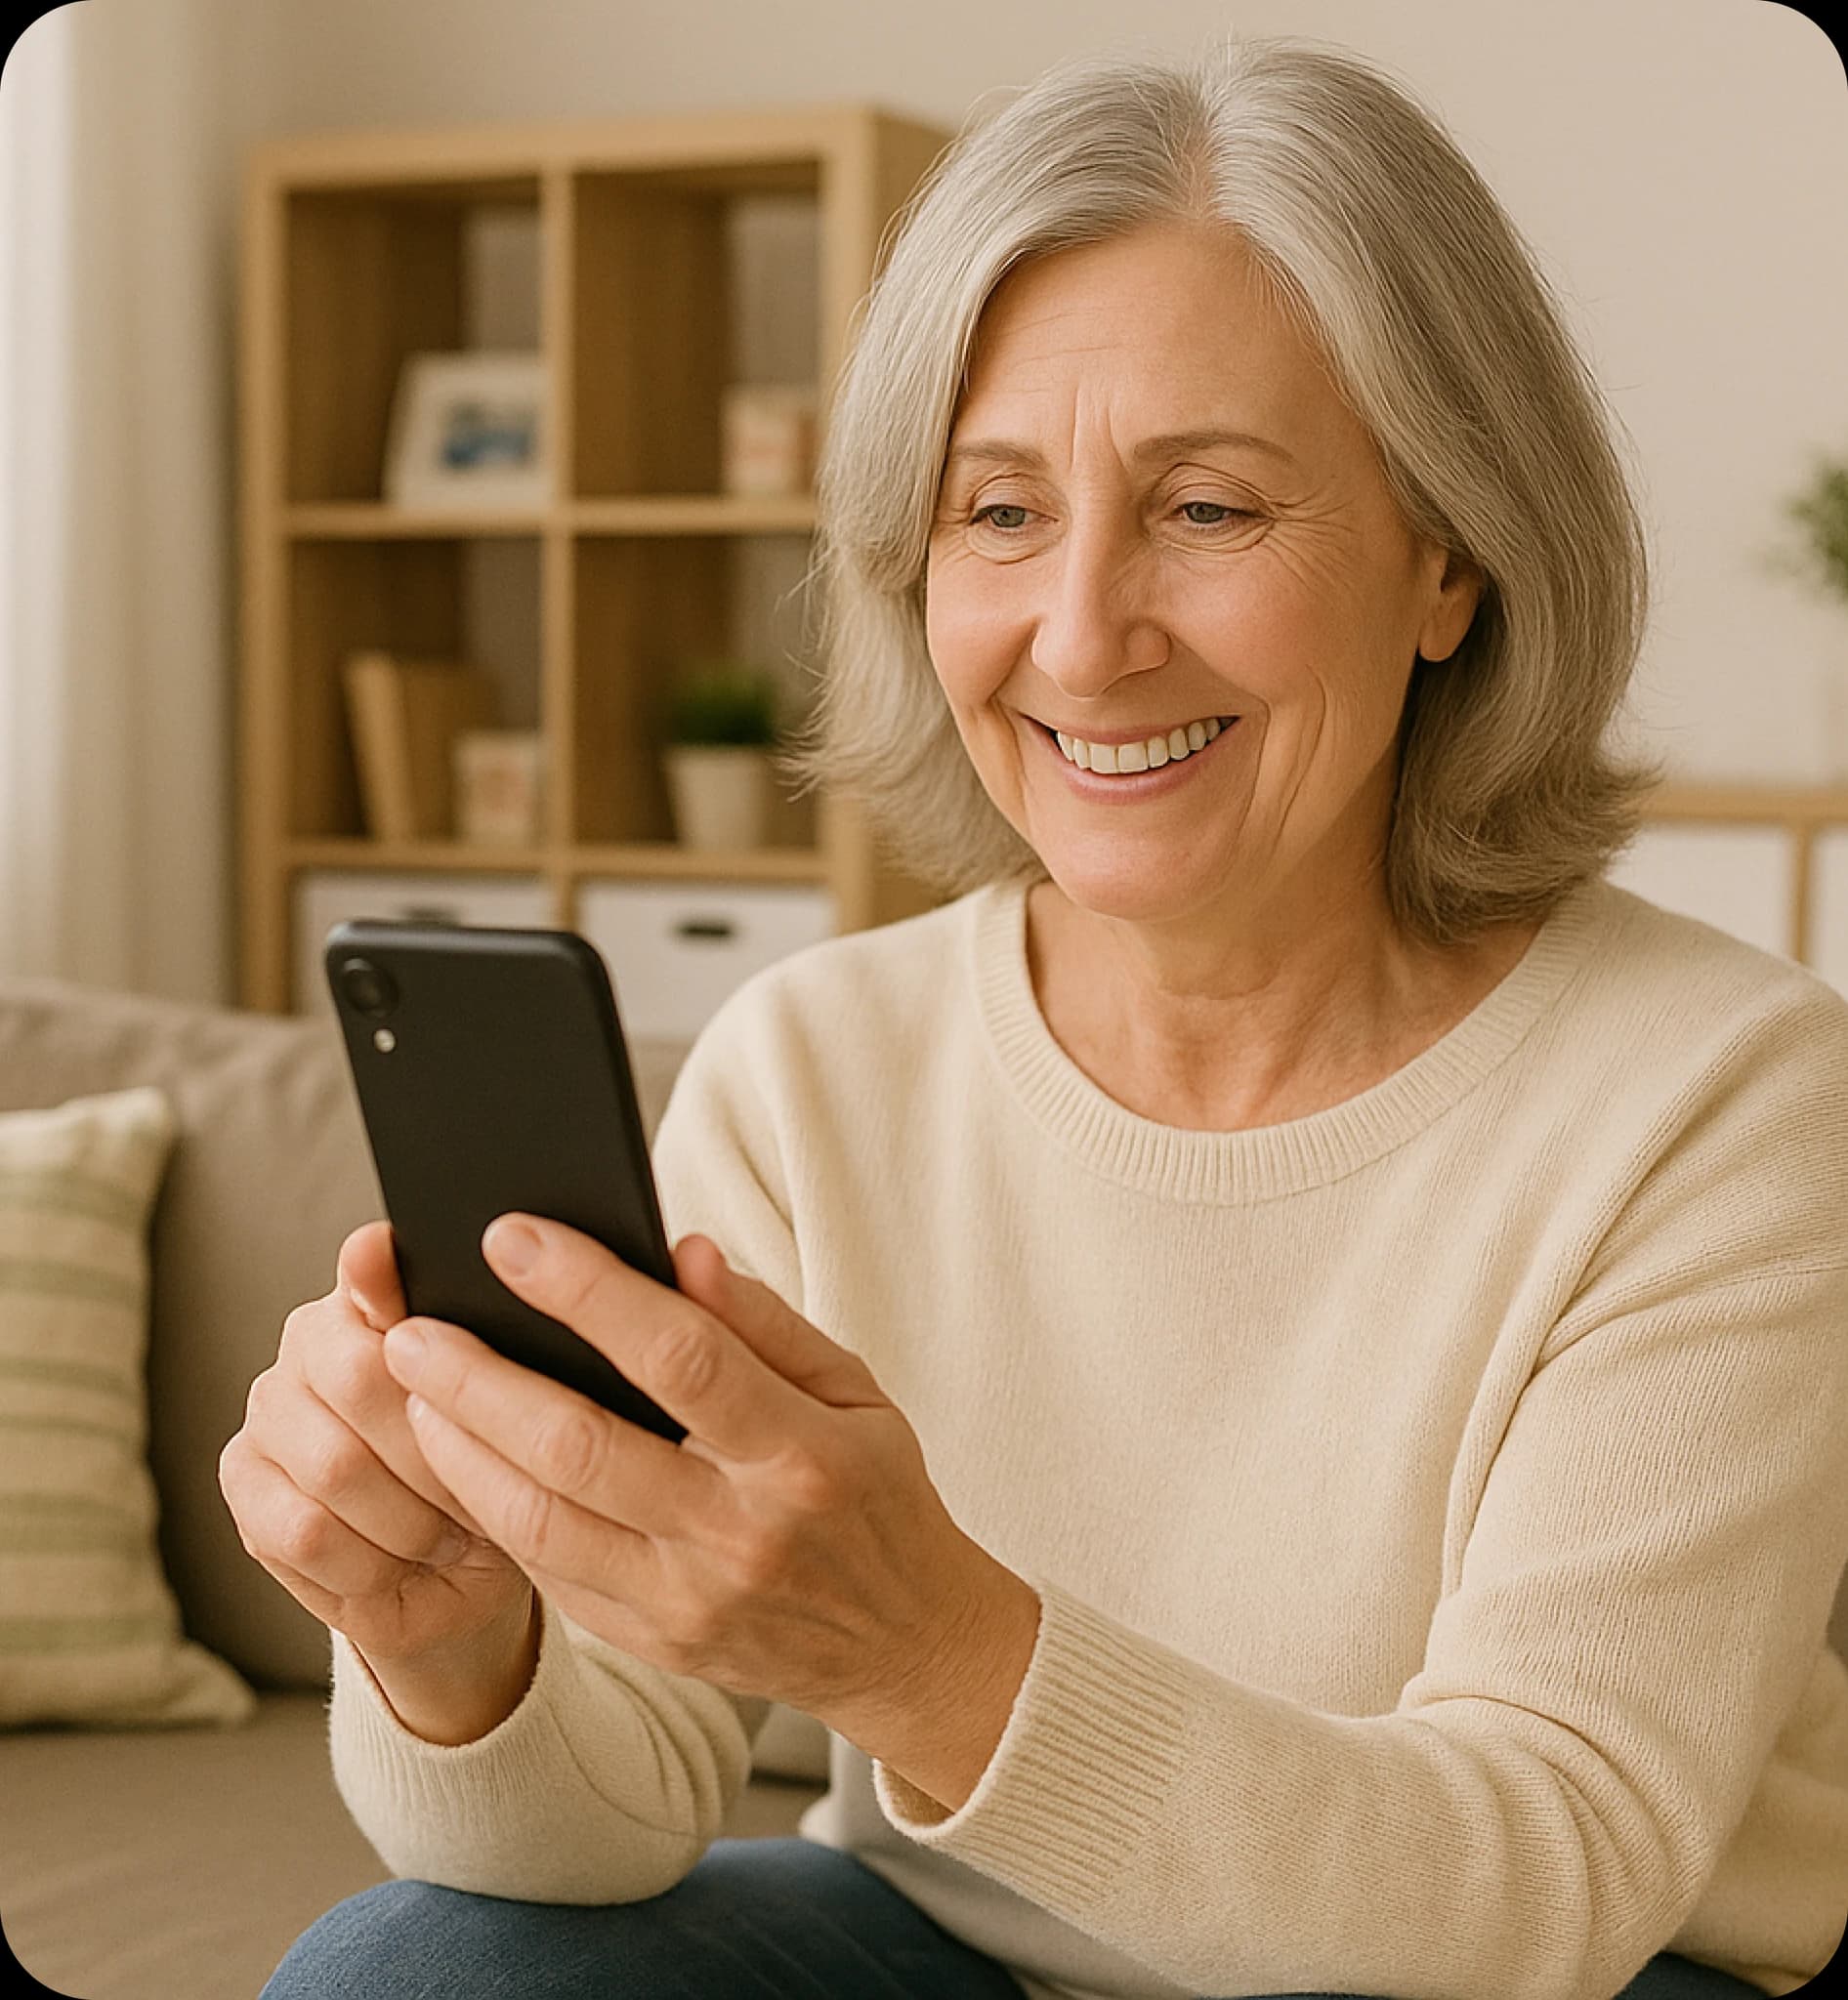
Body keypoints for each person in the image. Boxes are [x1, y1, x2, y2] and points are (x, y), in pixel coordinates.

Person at [225, 33, 1848, 2000]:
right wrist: (450, 1642)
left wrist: (926, 1653)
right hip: (961, 1953)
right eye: (999, 513)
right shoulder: (814, 1066)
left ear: (1448, 558)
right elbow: (605, 1819)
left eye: (1210, 508)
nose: (1082, 635)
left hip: (1533, 1975)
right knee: (410, 1966)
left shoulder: (1720, 1098)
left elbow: (1547, 1869)